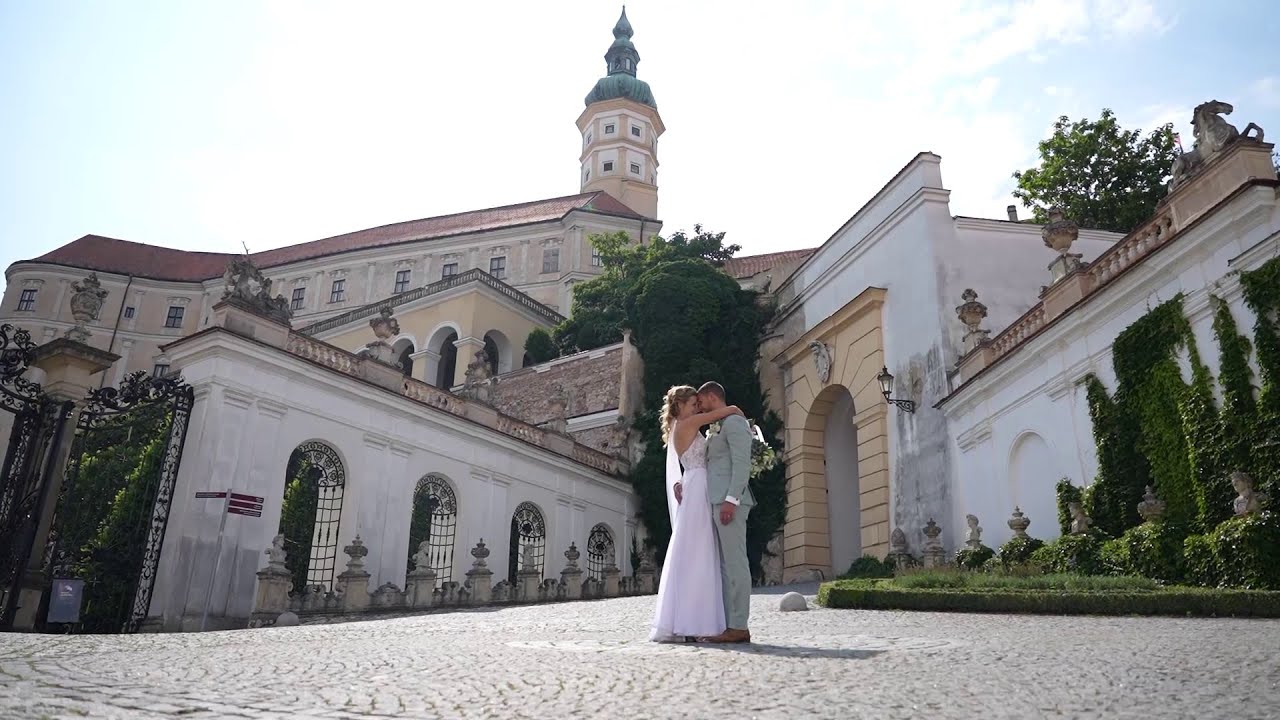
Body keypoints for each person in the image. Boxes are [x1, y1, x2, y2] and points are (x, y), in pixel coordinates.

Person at [649, 384, 744, 642]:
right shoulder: (687, 423)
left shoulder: (680, 427)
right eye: (693, 404)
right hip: (699, 487)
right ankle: (697, 622)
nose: (697, 408)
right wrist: (735, 411)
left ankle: (692, 619)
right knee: (700, 553)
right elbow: (723, 413)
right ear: (680, 406)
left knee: (694, 552)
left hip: (694, 484)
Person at [696, 381, 754, 644]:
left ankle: (739, 625)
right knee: (724, 566)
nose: (699, 406)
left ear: (711, 397)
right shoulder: (718, 425)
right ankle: (729, 624)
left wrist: (732, 499)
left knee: (735, 563)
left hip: (729, 501)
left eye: (701, 401)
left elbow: (742, 463)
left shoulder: (734, 423)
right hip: (716, 500)